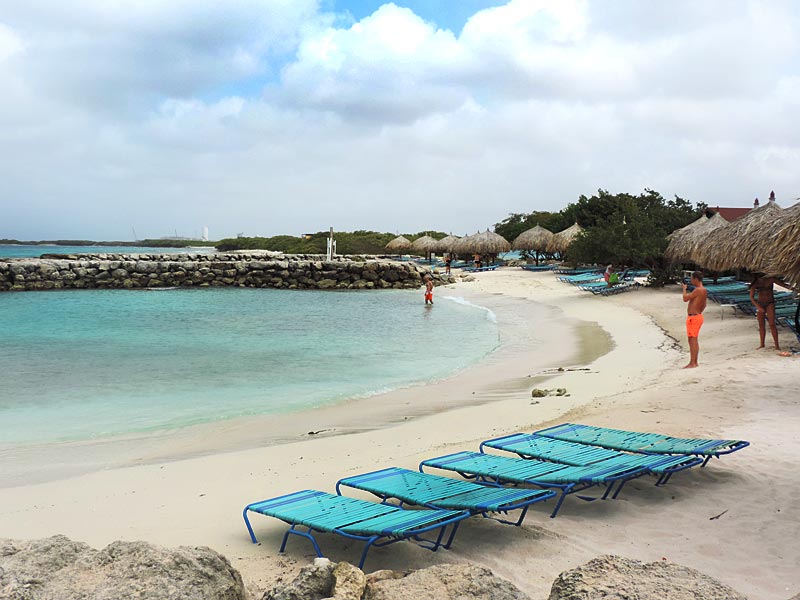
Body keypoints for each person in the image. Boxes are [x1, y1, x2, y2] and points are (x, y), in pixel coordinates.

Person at [681, 271, 708, 368]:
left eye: (692, 278)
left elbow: (685, 298)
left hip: (694, 317)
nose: (691, 280)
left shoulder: (698, 290)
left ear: (696, 279)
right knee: (692, 339)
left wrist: (684, 289)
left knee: (693, 340)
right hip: (697, 316)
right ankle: (693, 361)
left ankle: (693, 362)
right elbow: (704, 304)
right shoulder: (704, 290)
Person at [750, 274, 781, 350]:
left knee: (772, 324)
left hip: (770, 303)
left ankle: (777, 345)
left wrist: (794, 288)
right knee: (761, 325)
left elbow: (784, 285)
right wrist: (758, 307)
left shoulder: (771, 280)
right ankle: (762, 344)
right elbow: (751, 297)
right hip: (760, 303)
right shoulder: (756, 283)